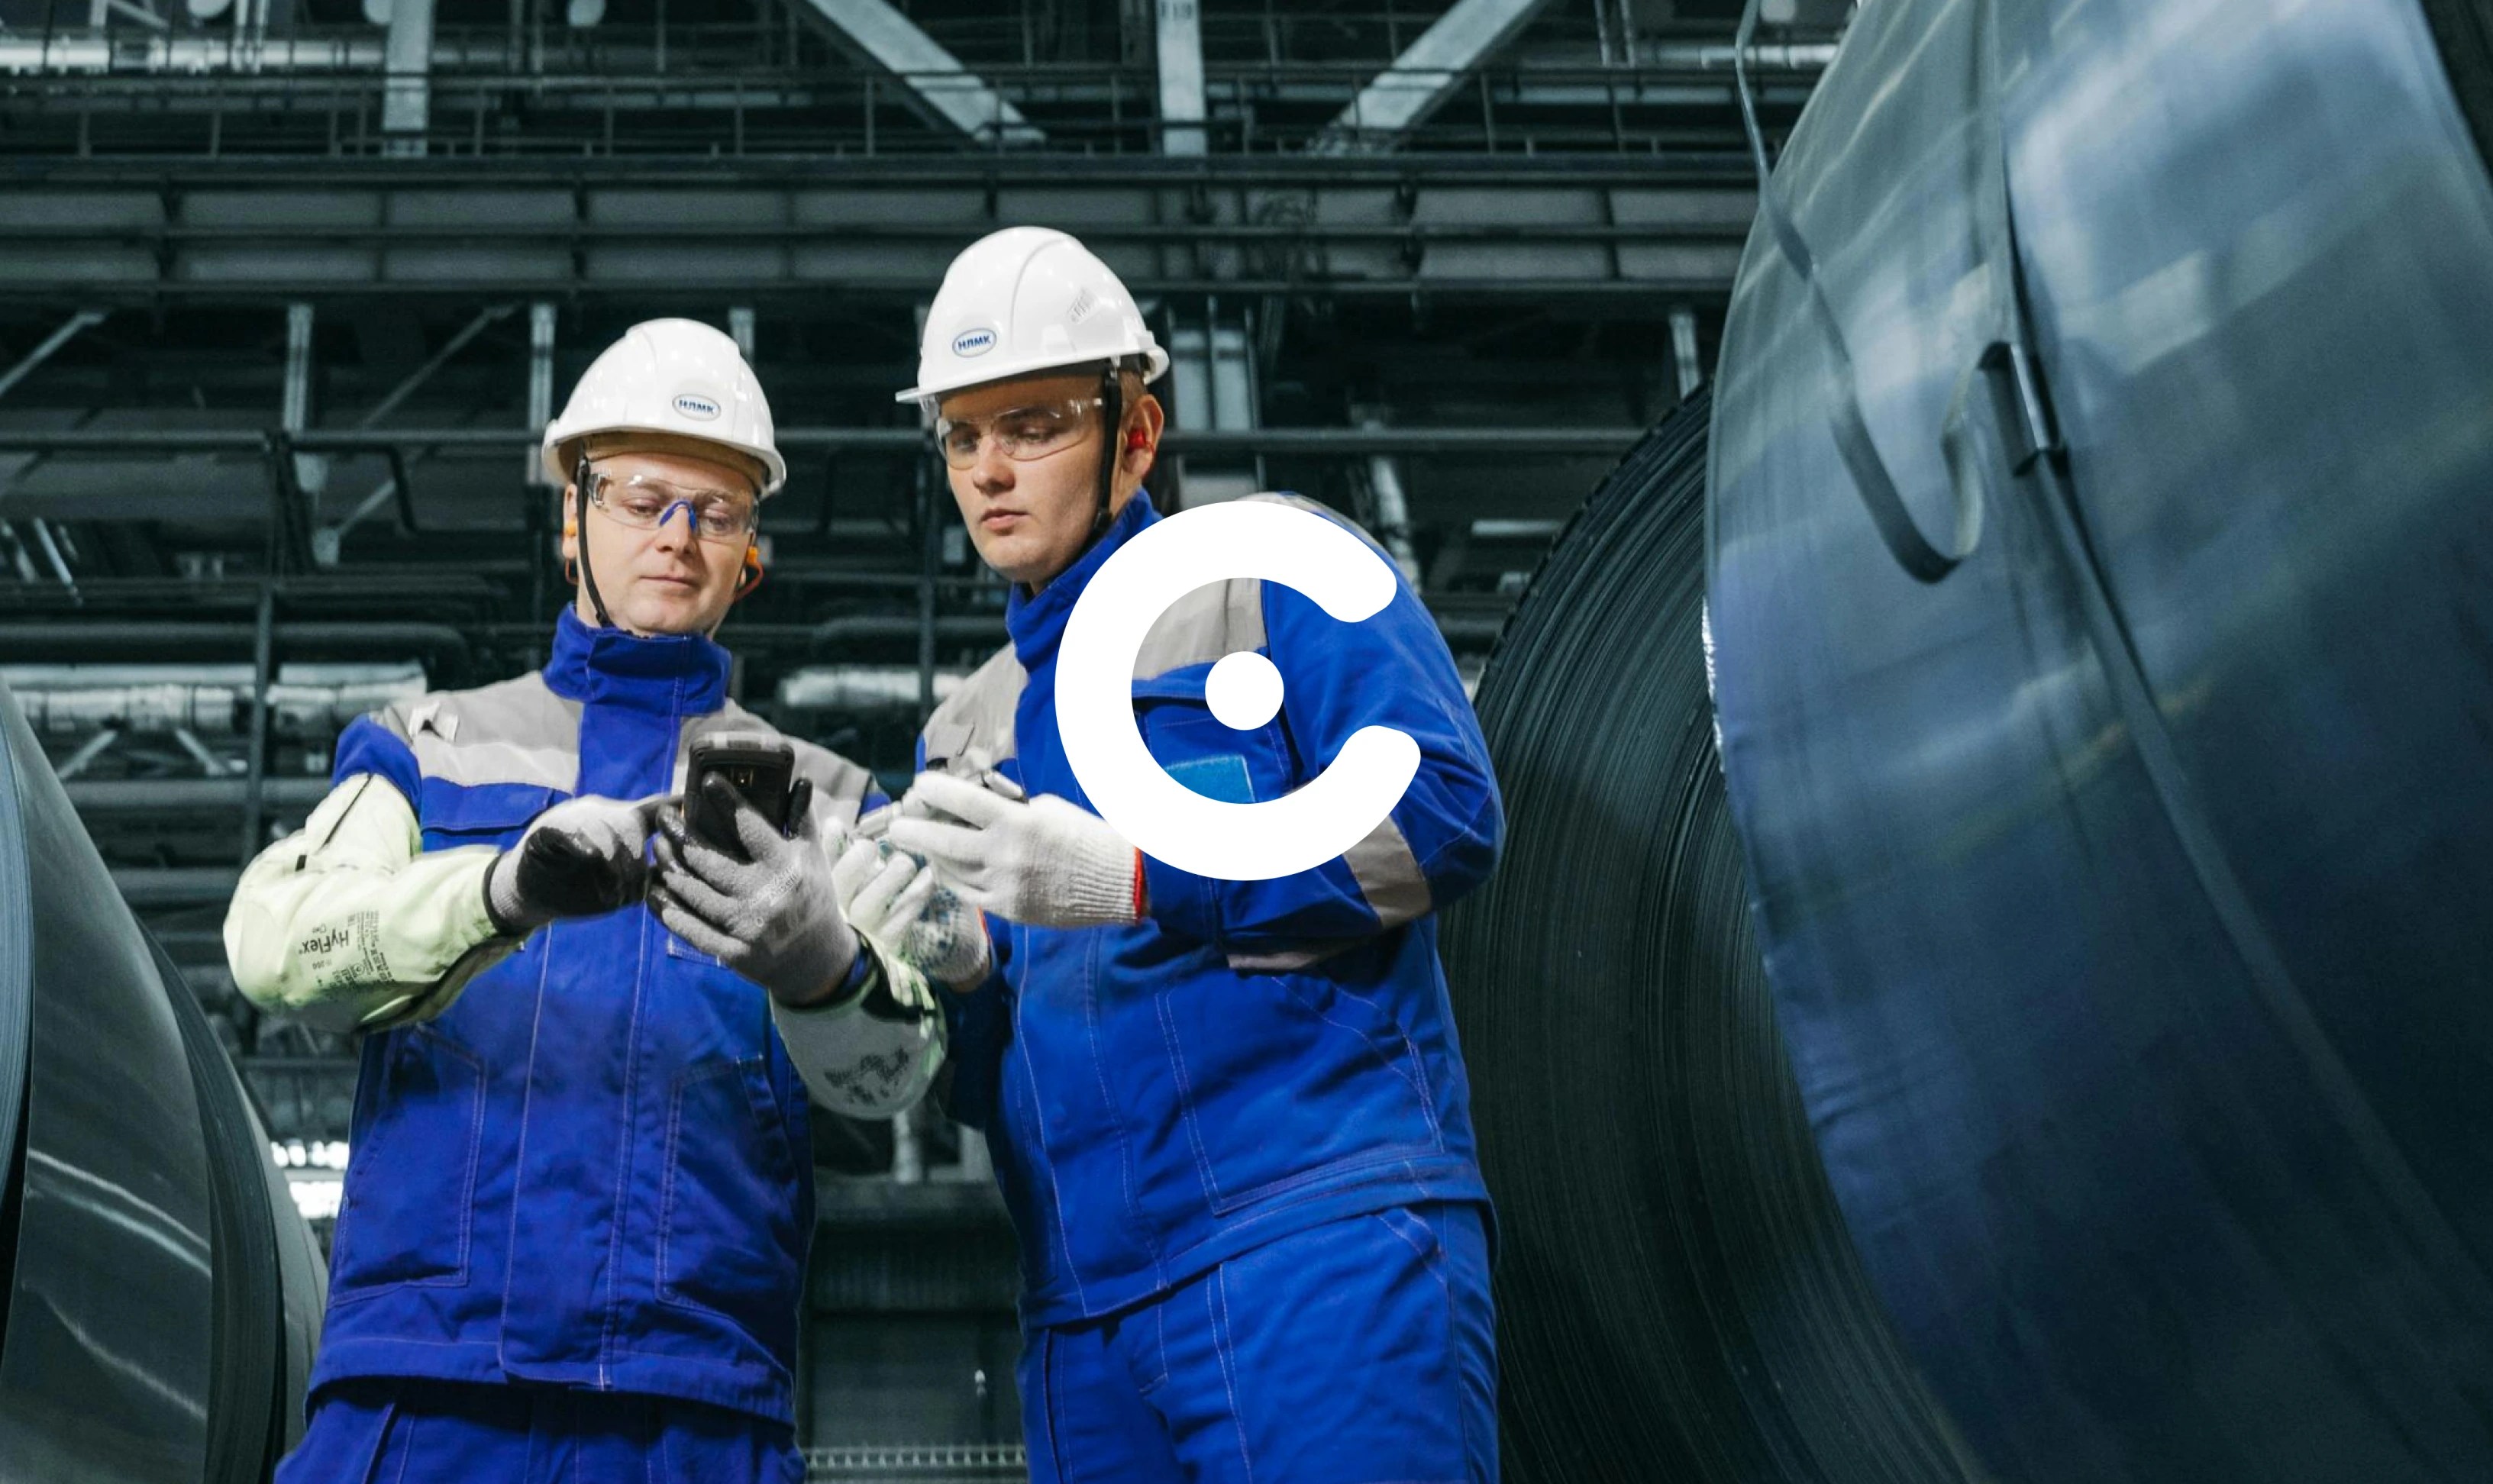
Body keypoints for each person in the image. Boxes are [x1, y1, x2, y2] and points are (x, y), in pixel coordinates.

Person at [224, 318, 980, 1482]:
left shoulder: (832, 807)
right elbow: (273, 949)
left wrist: (819, 970)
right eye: (639, 500)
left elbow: (891, 1083)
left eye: (714, 513)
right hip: (422, 1392)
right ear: (571, 521)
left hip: (693, 1408)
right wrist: (497, 890)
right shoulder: (430, 752)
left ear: (751, 555)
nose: (676, 538)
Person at [883, 227, 1506, 1483]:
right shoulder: (965, 728)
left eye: (1036, 424)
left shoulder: (1271, 576)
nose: (992, 470)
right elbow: (989, 1069)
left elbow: (1440, 814)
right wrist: (945, 975)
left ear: (1138, 435)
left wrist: (1139, 880)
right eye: (962, 434)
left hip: (1313, 1240)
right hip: (1082, 1313)